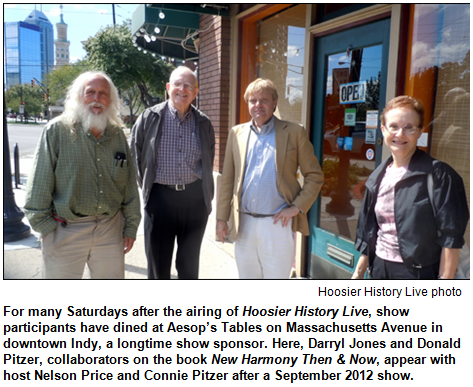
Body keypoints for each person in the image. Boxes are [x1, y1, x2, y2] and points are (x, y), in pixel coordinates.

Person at [25, 71, 141, 279]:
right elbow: (39, 184)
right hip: (65, 229)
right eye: (91, 92)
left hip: (109, 229)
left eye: (103, 94)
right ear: (80, 96)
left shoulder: (118, 136)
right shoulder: (56, 131)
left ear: (111, 99)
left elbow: (129, 186)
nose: (97, 99)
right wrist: (46, 228)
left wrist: (131, 227)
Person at [216, 78, 324, 279]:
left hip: (277, 225)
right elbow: (228, 180)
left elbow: (314, 176)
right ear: (248, 104)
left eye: (264, 100)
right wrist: (222, 218)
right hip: (244, 224)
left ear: (274, 103)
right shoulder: (236, 133)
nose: (258, 105)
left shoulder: (294, 132)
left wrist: (296, 207)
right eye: (253, 100)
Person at [352, 96, 469, 280]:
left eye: (409, 127)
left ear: (420, 131)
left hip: (418, 273)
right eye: (394, 126)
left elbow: (451, 238)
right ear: (383, 130)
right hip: (379, 268)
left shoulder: (440, 176)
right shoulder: (378, 176)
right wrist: (358, 273)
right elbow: (372, 231)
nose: (400, 134)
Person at [131, 66, 215, 279]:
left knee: (189, 269)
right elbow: (136, 156)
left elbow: (208, 159)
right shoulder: (149, 117)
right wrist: (148, 190)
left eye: (188, 85)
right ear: (168, 88)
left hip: (194, 201)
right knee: (158, 268)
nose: (182, 89)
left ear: (195, 92)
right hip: (159, 199)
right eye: (177, 84)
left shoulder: (204, 123)